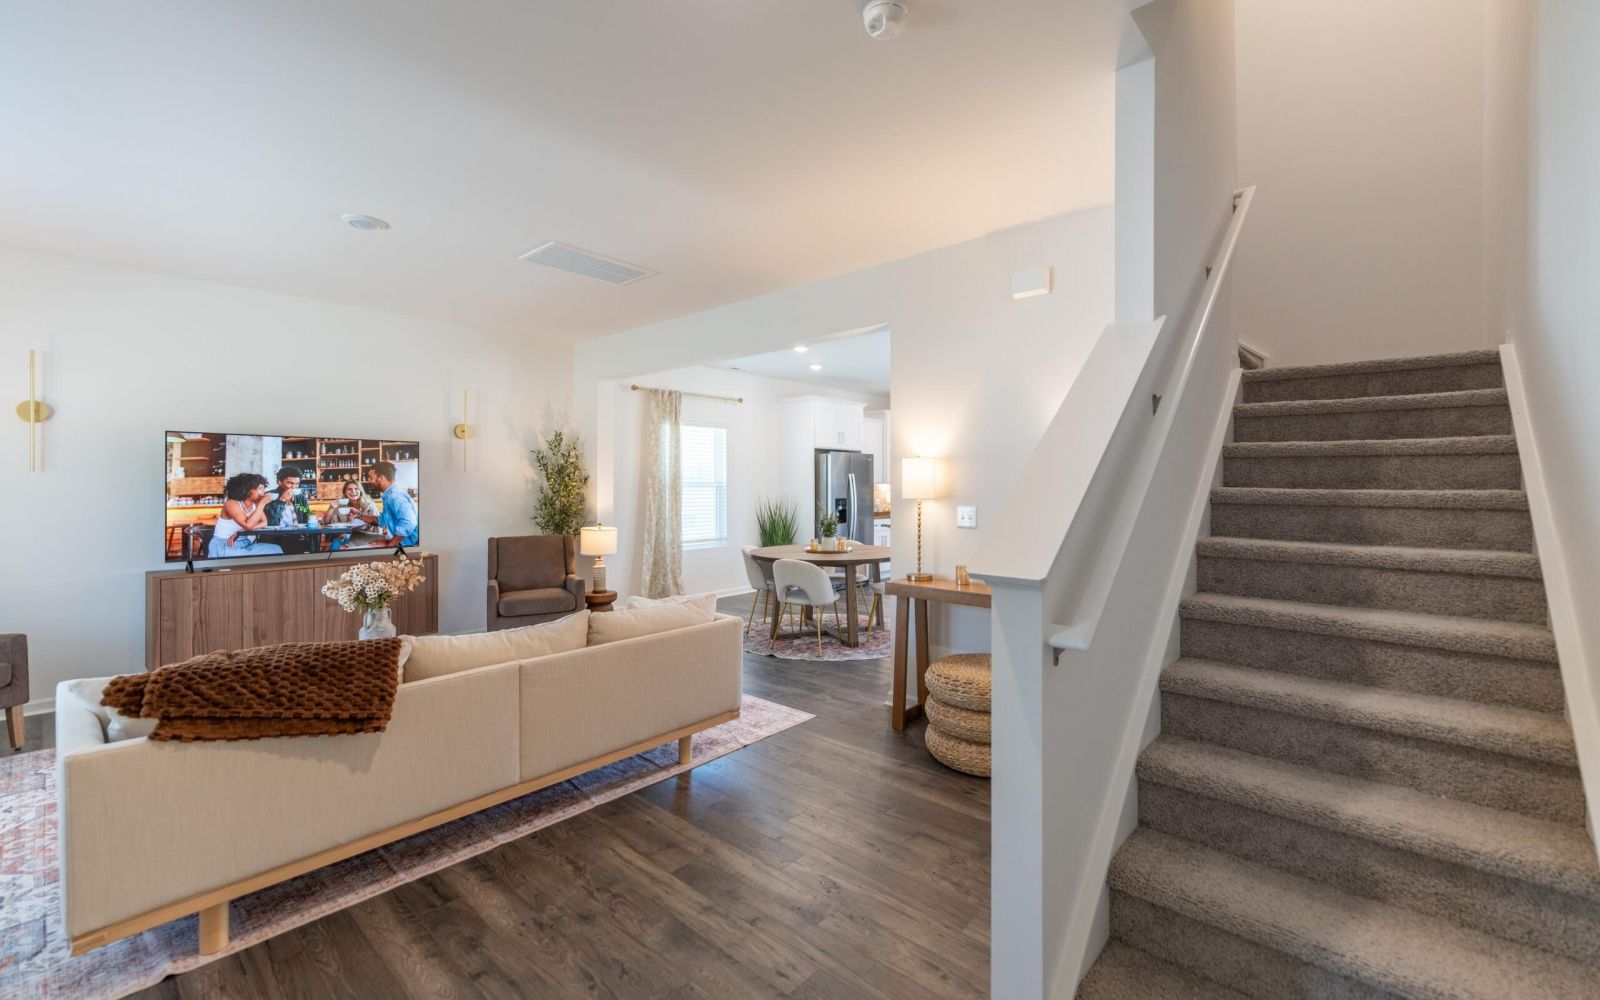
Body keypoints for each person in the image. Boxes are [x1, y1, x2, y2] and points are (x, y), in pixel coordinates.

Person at [207, 473, 283, 558]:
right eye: (260, 489)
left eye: (263, 489)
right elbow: (248, 525)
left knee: (275, 549)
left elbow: (264, 522)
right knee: (259, 558)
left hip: (244, 543)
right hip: (225, 545)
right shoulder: (231, 503)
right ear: (247, 491)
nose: (263, 492)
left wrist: (240, 531)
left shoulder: (255, 505)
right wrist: (262, 504)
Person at [359, 461, 418, 548]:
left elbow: (408, 523)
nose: (370, 481)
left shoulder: (395, 496)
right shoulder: (389, 495)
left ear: (381, 478)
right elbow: (383, 521)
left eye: (371, 478)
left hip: (408, 546)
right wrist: (359, 515)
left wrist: (389, 544)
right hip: (401, 543)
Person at [324, 479, 379, 551]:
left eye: (356, 489)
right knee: (333, 545)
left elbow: (377, 524)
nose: (353, 491)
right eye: (349, 489)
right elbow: (326, 522)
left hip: (367, 536)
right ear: (345, 493)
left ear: (360, 491)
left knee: (336, 546)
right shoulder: (342, 506)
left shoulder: (369, 505)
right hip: (347, 536)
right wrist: (331, 508)